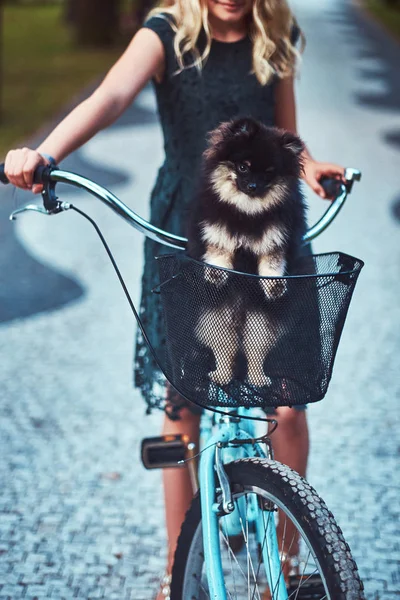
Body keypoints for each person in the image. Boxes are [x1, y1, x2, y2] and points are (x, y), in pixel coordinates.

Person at [4, 1, 345, 598]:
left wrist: (310, 167)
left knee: (288, 403)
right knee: (184, 402)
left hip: (268, 226)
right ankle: (176, 567)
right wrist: (46, 153)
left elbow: (285, 129)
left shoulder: (275, 30)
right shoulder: (166, 33)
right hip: (191, 229)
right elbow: (109, 97)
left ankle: (289, 566)